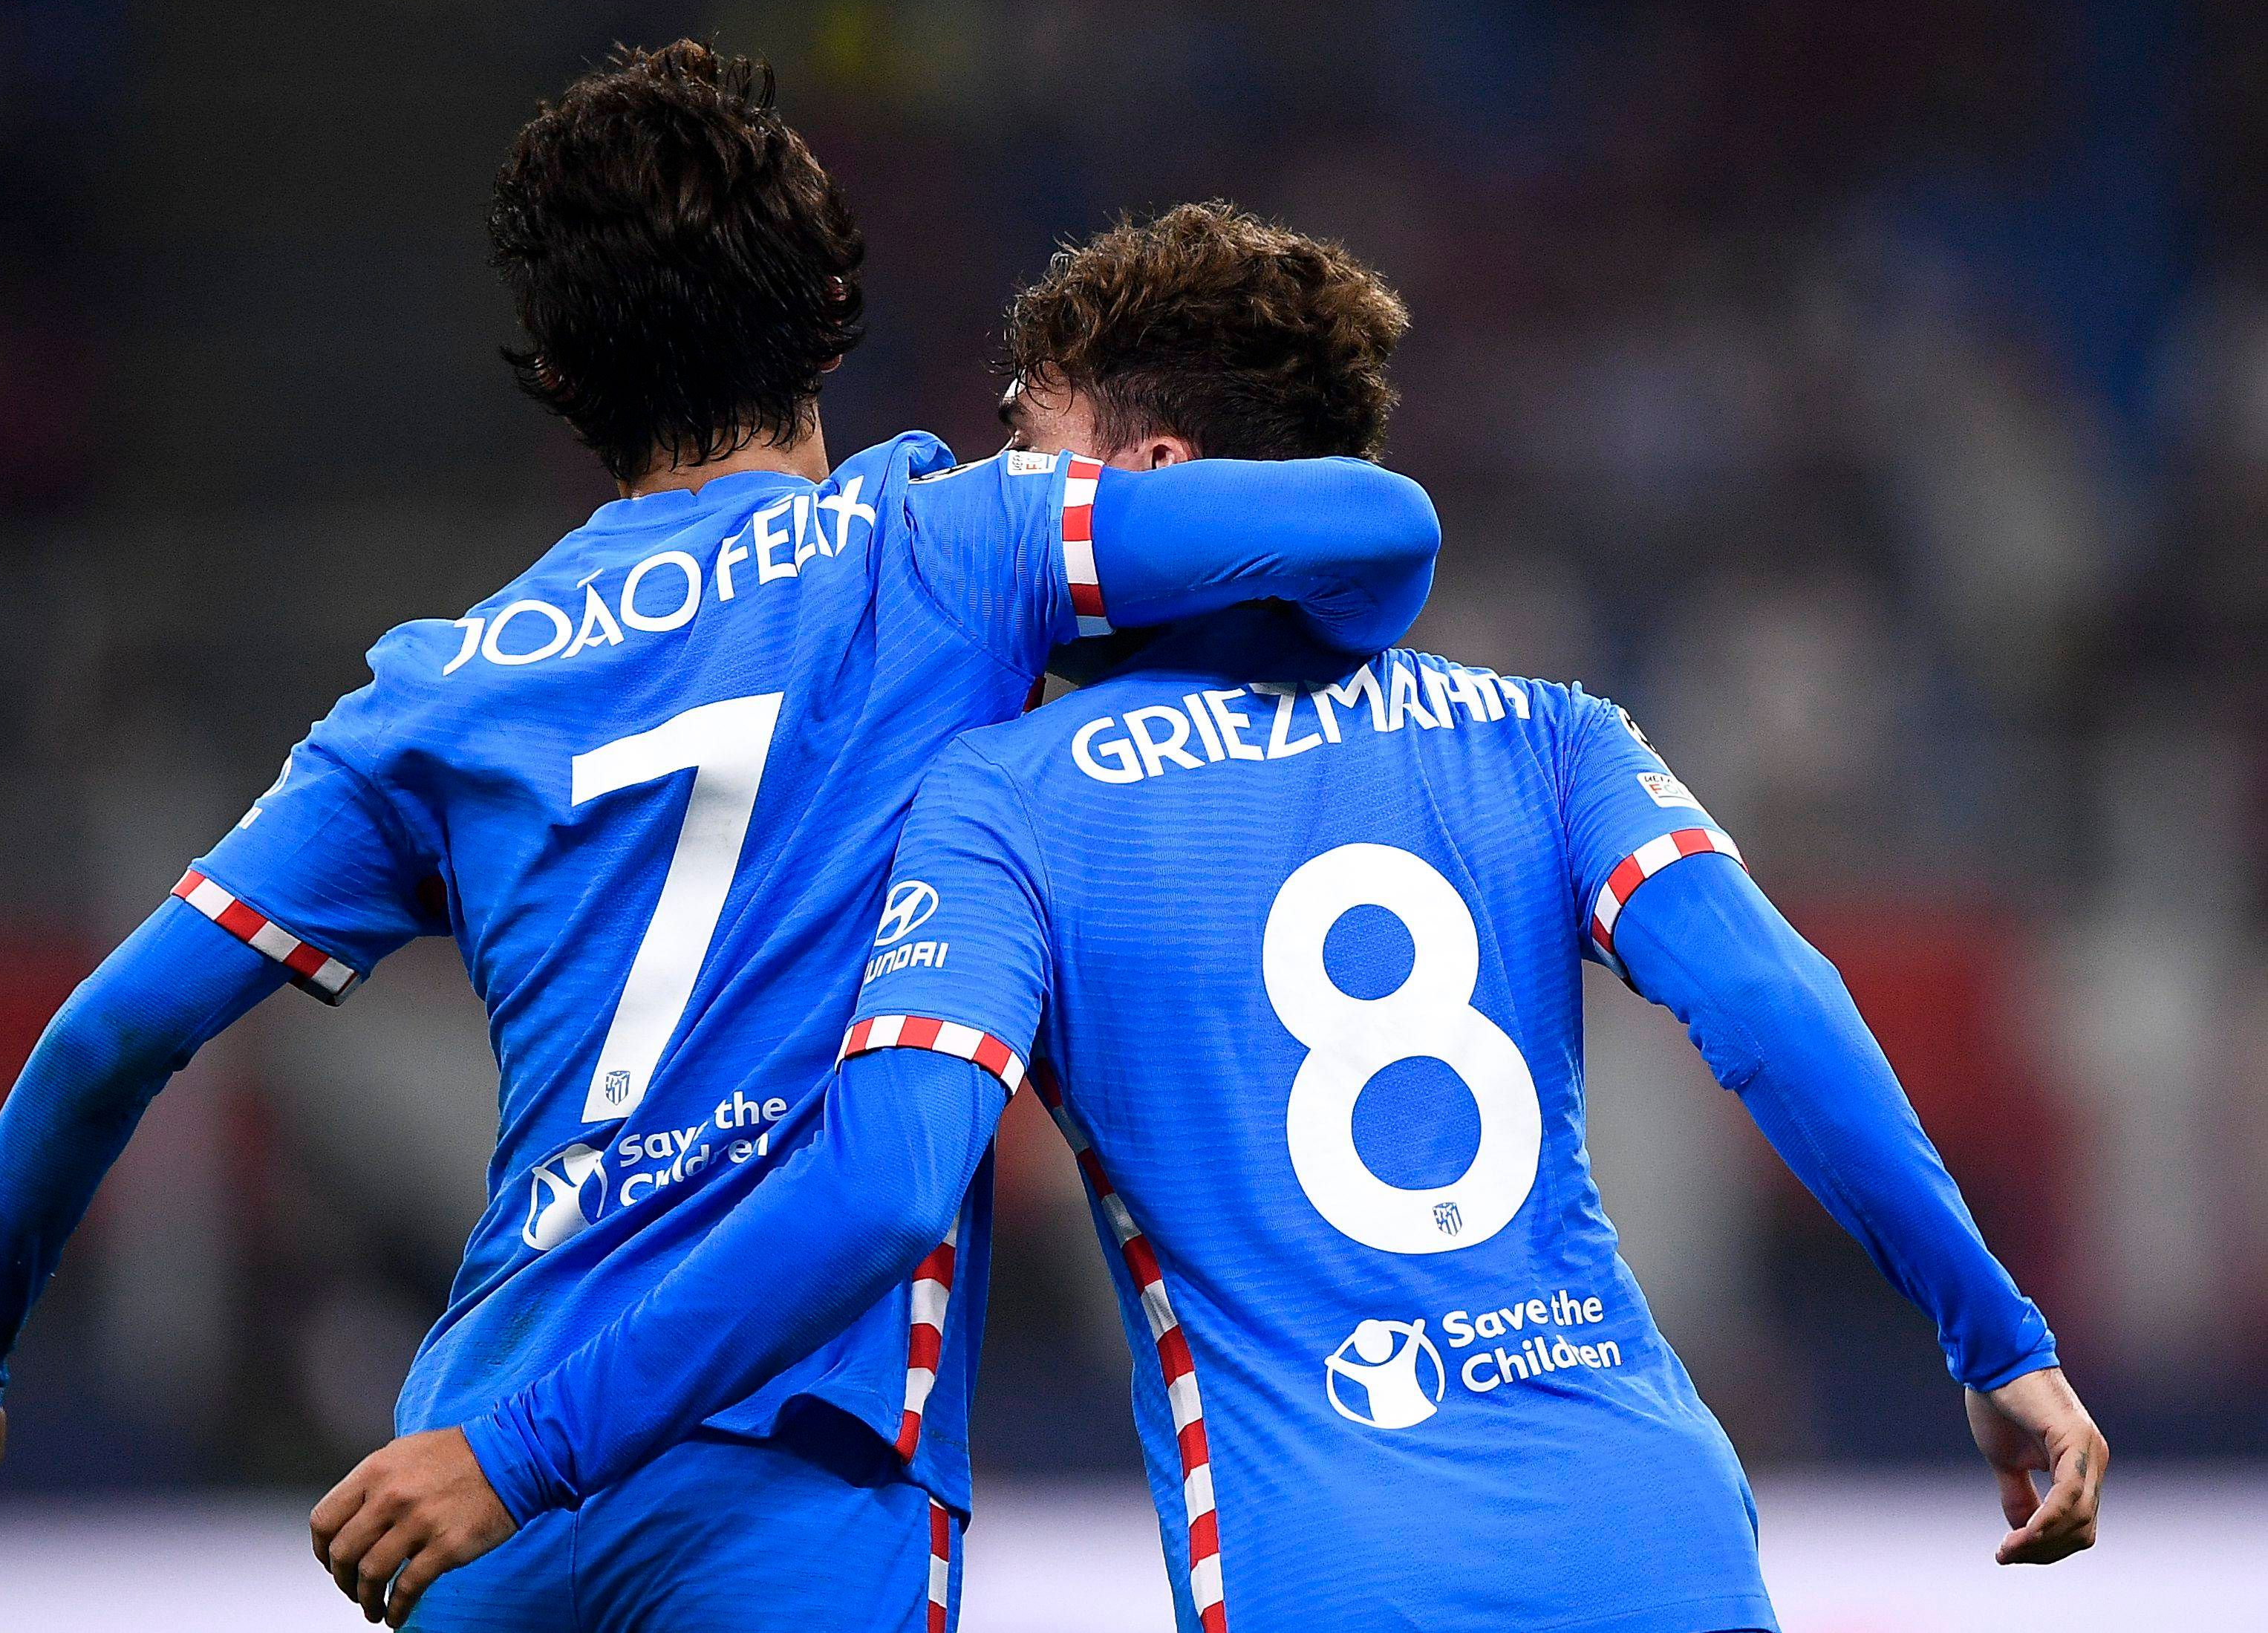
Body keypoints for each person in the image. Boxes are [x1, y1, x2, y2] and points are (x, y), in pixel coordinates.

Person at [0, 45, 1438, 1633]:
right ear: (827, 313)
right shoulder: (950, 543)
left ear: (558, 375)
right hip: (795, 1463)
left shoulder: (436, 692)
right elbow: (1367, 531)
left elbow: (104, 1039)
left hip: (477, 1487)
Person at [470, 204, 2110, 1632]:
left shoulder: (1004, 802)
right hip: (1654, 1529)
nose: (1001, 502)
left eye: (1030, 451)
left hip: (1329, 1564)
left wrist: (526, 1439)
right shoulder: (1541, 730)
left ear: (1151, 481)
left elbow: (884, 1179)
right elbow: (1773, 1008)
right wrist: (1990, 1334)